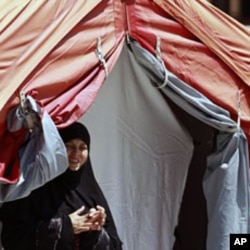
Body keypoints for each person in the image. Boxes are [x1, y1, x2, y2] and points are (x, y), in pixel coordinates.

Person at [0, 122, 123, 250]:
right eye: (69, 146)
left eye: (82, 147)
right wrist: (64, 227)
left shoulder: (91, 193)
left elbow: (115, 246)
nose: (76, 153)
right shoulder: (33, 189)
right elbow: (12, 238)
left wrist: (95, 230)